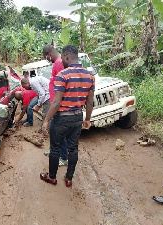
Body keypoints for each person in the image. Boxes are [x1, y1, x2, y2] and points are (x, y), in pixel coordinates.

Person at [39, 45, 95, 187]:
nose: (61, 60)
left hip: (62, 118)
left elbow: (56, 102)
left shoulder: (63, 75)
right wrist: (87, 119)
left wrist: (46, 120)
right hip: (77, 118)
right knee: (73, 149)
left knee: (55, 148)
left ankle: (52, 177)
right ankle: (69, 178)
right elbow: (89, 102)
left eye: (62, 57)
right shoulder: (90, 76)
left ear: (67, 57)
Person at [43, 44, 68, 166]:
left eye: (45, 56)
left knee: (58, 131)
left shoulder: (58, 63)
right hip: (56, 104)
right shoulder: (58, 62)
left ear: (49, 53)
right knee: (54, 130)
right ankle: (55, 152)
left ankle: (63, 157)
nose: (46, 59)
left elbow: (63, 84)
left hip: (58, 105)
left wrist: (57, 104)